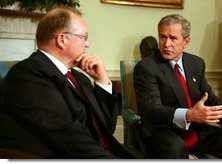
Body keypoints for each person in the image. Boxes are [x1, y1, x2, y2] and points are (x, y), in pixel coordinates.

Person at [0, 6, 134, 159]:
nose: (87, 44)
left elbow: (105, 129)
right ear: (62, 39)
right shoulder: (28, 74)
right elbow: (67, 135)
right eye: (84, 37)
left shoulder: (80, 77)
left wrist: (102, 80)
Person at [133, 14, 222, 159]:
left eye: (173, 38)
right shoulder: (146, 67)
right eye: (163, 37)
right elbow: (151, 110)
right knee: (176, 147)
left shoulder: (196, 63)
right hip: (162, 131)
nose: (166, 44)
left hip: (195, 128)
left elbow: (209, 97)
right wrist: (188, 115)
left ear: (186, 41)